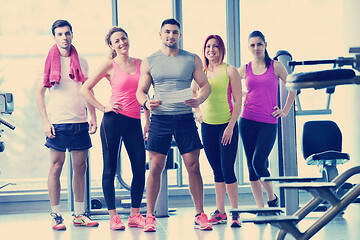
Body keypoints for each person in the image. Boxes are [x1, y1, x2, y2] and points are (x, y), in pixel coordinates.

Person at [136, 18, 212, 232]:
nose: (171, 35)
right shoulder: (150, 60)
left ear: (180, 35)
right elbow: (140, 91)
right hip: (160, 118)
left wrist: (198, 101)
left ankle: (200, 214)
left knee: (193, 165)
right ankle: (149, 216)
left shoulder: (191, 59)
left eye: (175, 32)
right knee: (155, 167)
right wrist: (146, 103)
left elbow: (205, 86)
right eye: (167, 32)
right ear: (160, 34)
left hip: (184, 118)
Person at [80, 27, 149, 230]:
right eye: (116, 41)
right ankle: (113, 217)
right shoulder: (109, 66)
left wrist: (148, 121)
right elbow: (85, 88)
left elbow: (144, 92)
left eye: (123, 38)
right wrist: (103, 107)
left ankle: (135, 215)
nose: (121, 43)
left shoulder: (141, 64)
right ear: (111, 45)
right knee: (109, 168)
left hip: (134, 121)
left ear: (128, 40)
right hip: (113, 121)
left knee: (138, 167)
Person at [35, 19, 99, 230]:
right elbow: (39, 93)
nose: (64, 37)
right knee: (56, 167)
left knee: (80, 167)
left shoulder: (82, 60)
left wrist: (93, 116)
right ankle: (56, 215)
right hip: (58, 123)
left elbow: (87, 90)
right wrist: (45, 121)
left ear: (72, 34)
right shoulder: (46, 61)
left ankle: (79, 214)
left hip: (80, 122)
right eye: (60, 34)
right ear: (54, 37)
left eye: (67, 33)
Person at [237, 30, 296, 210]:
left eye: (259, 44)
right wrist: (242, 95)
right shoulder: (245, 68)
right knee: (251, 166)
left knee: (258, 162)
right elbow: (227, 84)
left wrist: (285, 110)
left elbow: (293, 86)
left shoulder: (276, 66)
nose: (256, 48)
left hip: (268, 123)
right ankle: (261, 208)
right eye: (253, 45)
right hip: (246, 120)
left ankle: (272, 199)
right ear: (249, 47)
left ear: (265, 45)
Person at [192, 35, 242, 228]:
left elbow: (238, 100)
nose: (211, 50)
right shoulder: (201, 72)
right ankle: (220, 212)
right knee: (216, 170)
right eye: (208, 46)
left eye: (215, 46)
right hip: (208, 127)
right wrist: (197, 112)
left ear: (221, 49)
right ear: (204, 50)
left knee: (228, 169)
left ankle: (235, 213)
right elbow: (193, 93)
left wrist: (230, 127)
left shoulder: (229, 71)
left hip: (226, 126)